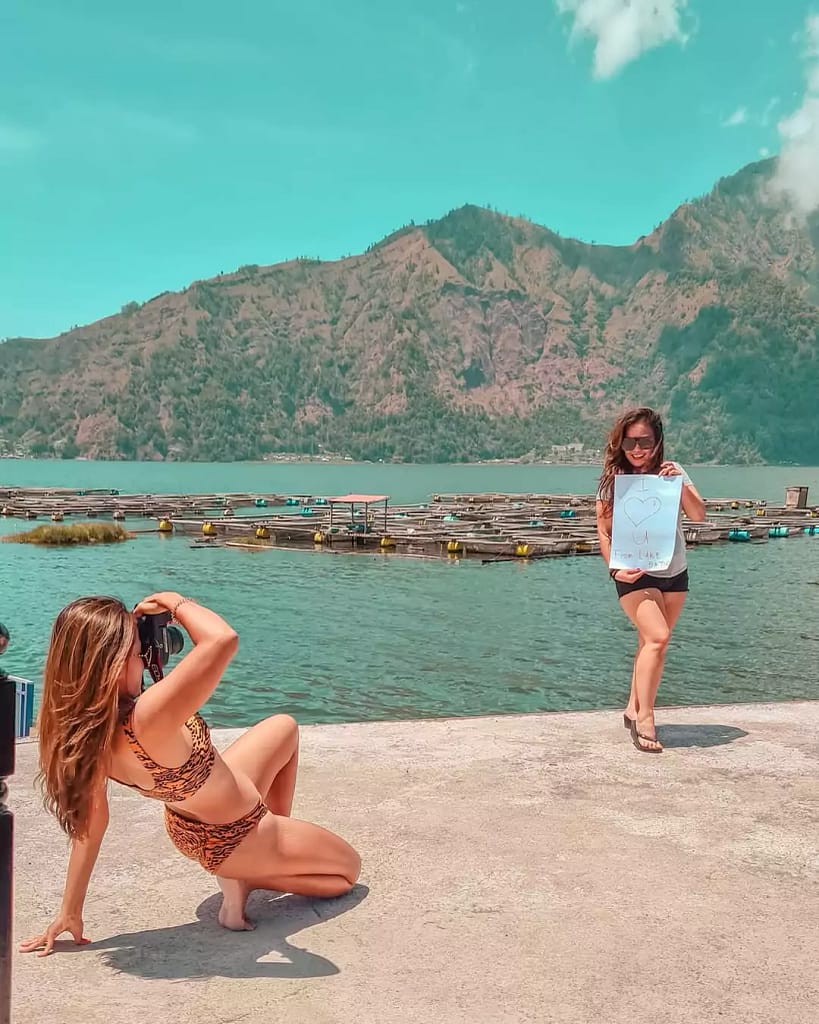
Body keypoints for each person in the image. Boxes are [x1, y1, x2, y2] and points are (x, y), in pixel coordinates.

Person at [20, 591, 360, 956]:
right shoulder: (147, 717)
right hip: (240, 833)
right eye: (138, 653)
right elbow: (221, 639)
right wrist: (175, 602)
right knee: (346, 875)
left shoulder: (84, 734)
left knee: (284, 727)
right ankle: (247, 875)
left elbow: (92, 825)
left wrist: (70, 909)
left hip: (188, 825)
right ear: (114, 664)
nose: (145, 658)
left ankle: (261, 858)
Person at [595, 408, 706, 754]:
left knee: (649, 643)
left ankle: (632, 706)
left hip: (674, 573)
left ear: (657, 441)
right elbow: (603, 530)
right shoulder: (614, 479)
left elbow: (699, 514)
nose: (638, 448)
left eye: (645, 440)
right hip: (634, 574)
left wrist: (678, 483)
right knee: (658, 637)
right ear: (621, 442)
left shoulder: (673, 471)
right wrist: (614, 568)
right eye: (631, 441)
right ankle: (645, 717)